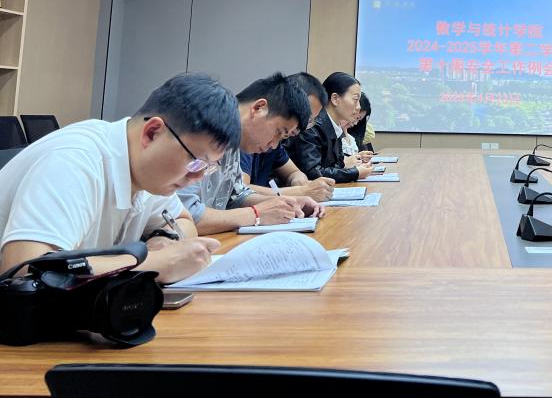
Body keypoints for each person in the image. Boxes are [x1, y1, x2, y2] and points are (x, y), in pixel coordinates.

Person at [0, 73, 239, 283]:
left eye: (208, 167)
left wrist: (163, 239)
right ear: (152, 133)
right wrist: (153, 263)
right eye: (196, 162)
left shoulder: (148, 174)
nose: (197, 177)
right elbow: (26, 269)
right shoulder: (75, 161)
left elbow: (183, 220)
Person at [179, 72, 325, 235]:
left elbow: (237, 196)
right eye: (278, 132)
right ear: (258, 108)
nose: (274, 145)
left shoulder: (234, 140)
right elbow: (185, 215)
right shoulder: (201, 130)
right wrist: (255, 214)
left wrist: (287, 203)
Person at [240, 72, 335, 201]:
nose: (302, 125)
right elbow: (241, 191)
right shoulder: (244, 134)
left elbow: (294, 172)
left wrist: (299, 182)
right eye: (306, 116)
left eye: (310, 120)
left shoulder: (274, 139)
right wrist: (301, 191)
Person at [287, 72, 373, 184]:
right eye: (355, 99)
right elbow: (313, 172)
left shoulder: (335, 126)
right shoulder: (313, 126)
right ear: (335, 99)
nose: (358, 107)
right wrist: (355, 173)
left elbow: (336, 164)